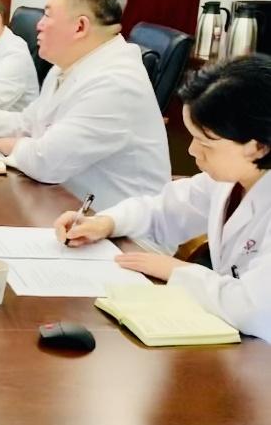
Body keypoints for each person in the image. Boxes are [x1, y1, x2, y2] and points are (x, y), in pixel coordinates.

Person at [56, 56, 271, 341]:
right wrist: (107, 222)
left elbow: (257, 312)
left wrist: (177, 271)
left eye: (205, 143)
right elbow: (162, 210)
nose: (192, 151)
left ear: (259, 146)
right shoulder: (231, 178)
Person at [0, 0, 169, 210]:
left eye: (47, 15)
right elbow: (27, 125)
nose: (39, 25)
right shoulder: (66, 66)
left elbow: (48, 161)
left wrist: (15, 146)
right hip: (66, 203)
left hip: (114, 223)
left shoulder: (116, 82)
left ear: (80, 27)